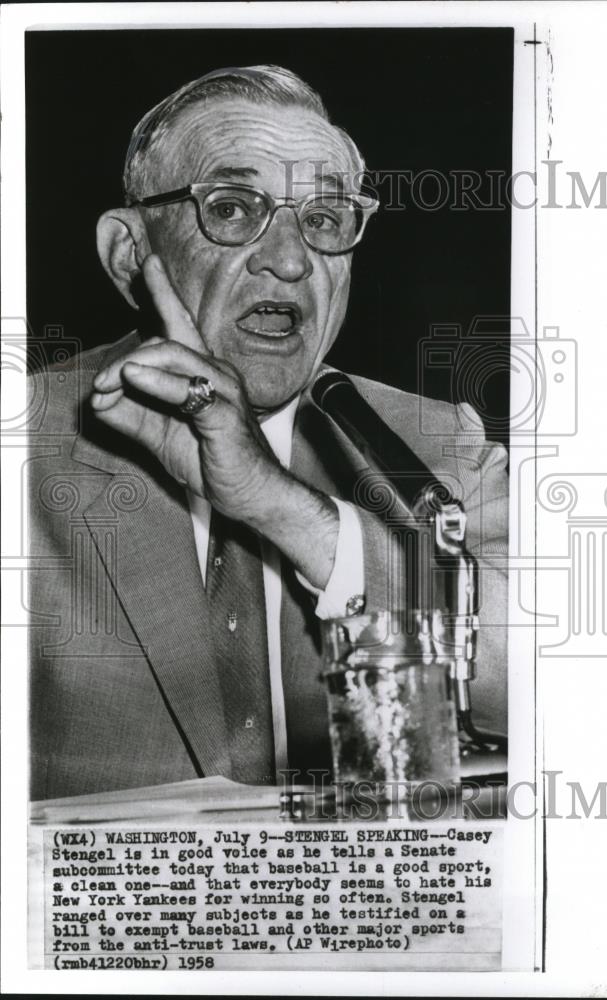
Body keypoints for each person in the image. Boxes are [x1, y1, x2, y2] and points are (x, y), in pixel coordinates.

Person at [28, 65, 508, 801]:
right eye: (231, 208)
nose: (289, 260)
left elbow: (551, 690)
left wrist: (278, 504)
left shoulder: (432, 445)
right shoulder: (21, 448)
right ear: (130, 252)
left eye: (322, 219)